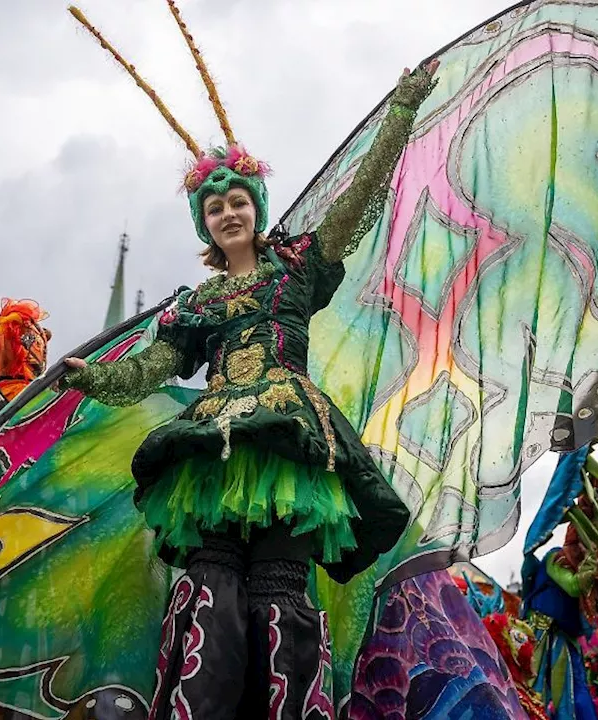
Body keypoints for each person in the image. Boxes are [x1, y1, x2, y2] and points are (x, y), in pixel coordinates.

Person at [61, 2, 438, 716]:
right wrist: (97, 379)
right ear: (203, 223)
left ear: (257, 209)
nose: (228, 213)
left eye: (239, 201)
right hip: (211, 454)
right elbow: (152, 366)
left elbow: (359, 200)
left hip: (290, 446)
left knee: (277, 593)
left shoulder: (297, 273)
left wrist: (402, 109)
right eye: (214, 207)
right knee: (212, 585)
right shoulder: (196, 302)